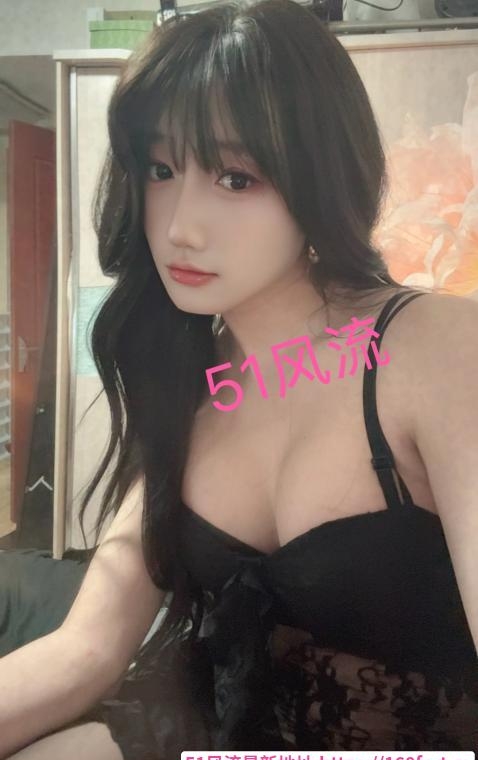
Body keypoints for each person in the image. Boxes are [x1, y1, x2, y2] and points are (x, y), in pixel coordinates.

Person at [1, 0, 477, 756]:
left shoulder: (439, 349)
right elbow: (85, 649)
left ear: (320, 177)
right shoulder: (190, 383)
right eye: (160, 170)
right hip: (193, 724)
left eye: (234, 177)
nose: (179, 226)